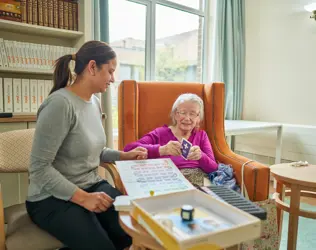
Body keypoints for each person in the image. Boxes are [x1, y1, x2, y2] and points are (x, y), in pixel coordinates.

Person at [26, 41, 147, 250]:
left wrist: (126, 155)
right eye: (110, 71)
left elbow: (95, 151)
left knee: (135, 233)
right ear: (92, 67)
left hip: (91, 186)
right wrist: (83, 199)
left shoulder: (94, 102)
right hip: (51, 198)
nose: (113, 79)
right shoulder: (59, 104)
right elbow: (39, 168)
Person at [123, 93, 218, 186]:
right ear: (176, 115)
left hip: (197, 180)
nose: (187, 118)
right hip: (168, 180)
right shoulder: (160, 133)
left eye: (192, 114)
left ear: (198, 118)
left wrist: (201, 156)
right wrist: (162, 150)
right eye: (183, 113)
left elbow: (213, 168)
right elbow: (129, 149)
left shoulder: (201, 135)